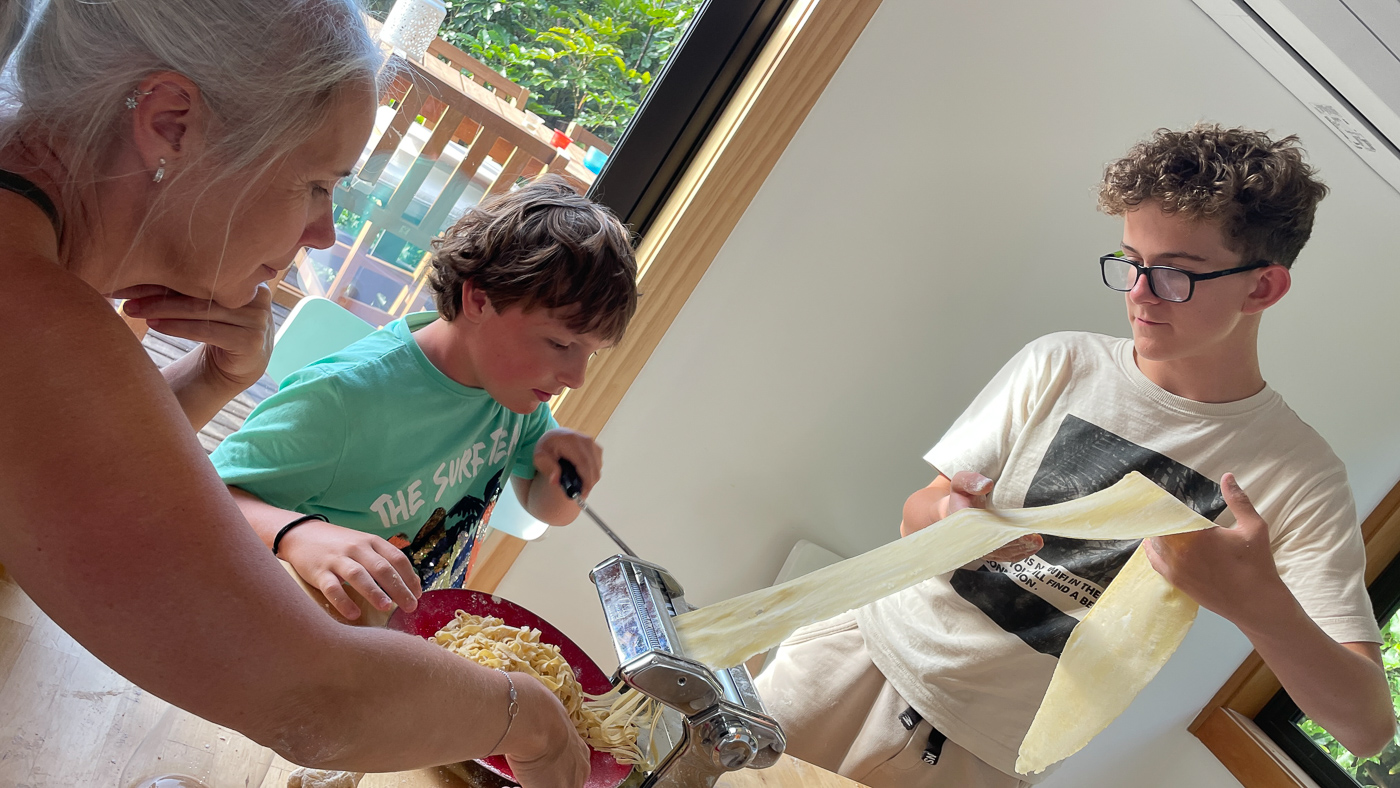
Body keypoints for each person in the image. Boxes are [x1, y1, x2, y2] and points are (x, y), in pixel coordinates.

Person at [0, 1, 588, 784]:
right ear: (171, 123)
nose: (324, 232)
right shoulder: (29, 310)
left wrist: (216, 375)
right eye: (316, 184)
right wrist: (533, 721)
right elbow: (312, 699)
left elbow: (61, 477)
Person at [754, 124, 1395, 787]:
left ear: (1262, 288)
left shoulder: (1300, 476)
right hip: (849, 659)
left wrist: (1255, 603)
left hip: (981, 758)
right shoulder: (1060, 361)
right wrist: (949, 521)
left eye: (1174, 273)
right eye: (1131, 261)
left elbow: (1367, 729)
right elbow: (920, 509)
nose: (1139, 292)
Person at [210, 176, 638, 621]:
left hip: (395, 631)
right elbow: (207, 496)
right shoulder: (346, 397)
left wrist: (566, 480)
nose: (576, 378)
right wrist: (297, 535)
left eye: (590, 353)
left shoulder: (511, 398)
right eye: (560, 344)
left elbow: (544, 508)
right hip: (293, 625)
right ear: (479, 299)